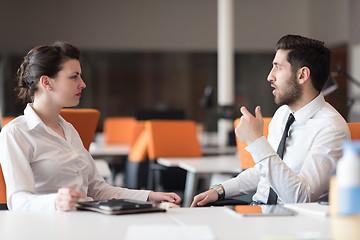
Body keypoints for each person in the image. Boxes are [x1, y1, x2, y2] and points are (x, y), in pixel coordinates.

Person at [0, 42, 181, 212]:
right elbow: (18, 201)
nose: (83, 84)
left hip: (85, 222)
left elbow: (98, 190)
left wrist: (149, 196)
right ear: (47, 82)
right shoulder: (16, 133)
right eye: (74, 77)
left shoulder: (69, 130)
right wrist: (56, 201)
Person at [191, 34, 350, 207]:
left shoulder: (331, 128)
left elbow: (301, 197)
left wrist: (257, 142)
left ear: (302, 75)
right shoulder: (283, 114)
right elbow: (265, 171)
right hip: (257, 210)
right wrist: (220, 190)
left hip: (291, 223)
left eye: (278, 67)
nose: (270, 77)